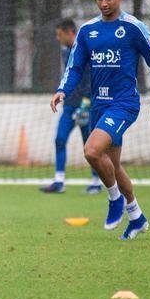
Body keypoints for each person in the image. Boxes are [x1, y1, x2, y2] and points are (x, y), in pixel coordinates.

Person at [51, 0, 150, 240]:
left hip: (124, 104)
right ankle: (137, 216)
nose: (103, 3)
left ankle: (115, 198)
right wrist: (62, 90)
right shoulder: (88, 31)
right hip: (99, 105)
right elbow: (75, 67)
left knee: (91, 151)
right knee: (113, 166)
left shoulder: (134, 28)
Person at [41, 18, 102, 194]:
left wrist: (87, 102)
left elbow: (90, 77)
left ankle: (96, 182)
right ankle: (59, 182)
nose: (57, 38)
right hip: (69, 105)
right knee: (59, 139)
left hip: (86, 105)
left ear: (70, 33)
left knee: (90, 146)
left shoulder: (86, 50)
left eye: (59, 35)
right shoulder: (66, 52)